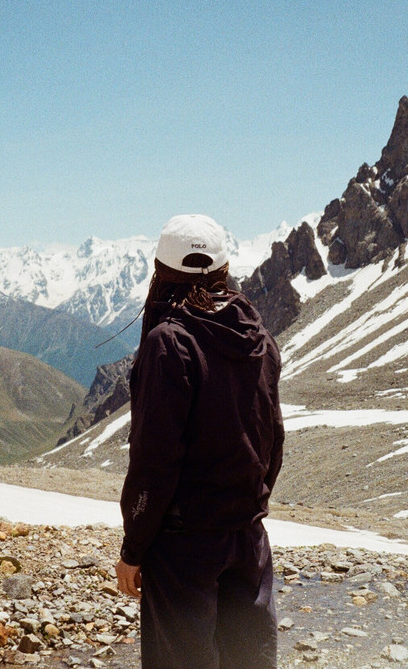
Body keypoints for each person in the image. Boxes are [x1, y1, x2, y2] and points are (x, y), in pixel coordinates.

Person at [115, 213, 285, 669]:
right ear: (224, 272)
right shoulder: (260, 338)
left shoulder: (169, 342)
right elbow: (272, 441)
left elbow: (155, 461)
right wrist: (248, 508)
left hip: (184, 545)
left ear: (161, 273)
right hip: (248, 538)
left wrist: (134, 548)